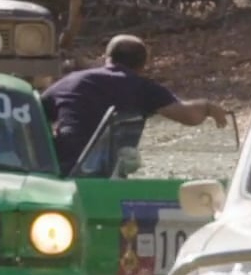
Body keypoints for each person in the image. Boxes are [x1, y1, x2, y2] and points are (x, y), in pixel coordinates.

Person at [41, 35, 231, 174]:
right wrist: (208, 107)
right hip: (104, 173)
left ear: (107, 59)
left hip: (59, 168)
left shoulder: (71, 81)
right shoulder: (141, 87)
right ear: (143, 65)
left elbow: (35, 112)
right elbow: (188, 116)